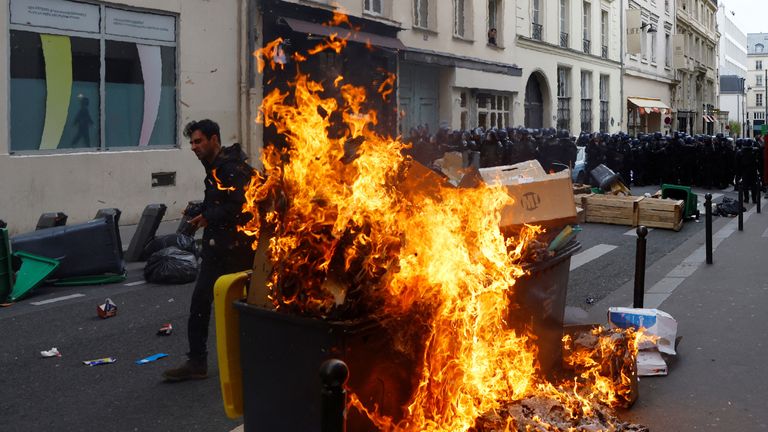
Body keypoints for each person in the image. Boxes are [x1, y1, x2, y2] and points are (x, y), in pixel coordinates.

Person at [163, 119, 256, 381]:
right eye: (191, 142)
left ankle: (258, 359)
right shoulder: (213, 168)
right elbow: (217, 202)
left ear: (214, 139)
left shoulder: (231, 169)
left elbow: (239, 207)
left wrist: (208, 217)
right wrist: (199, 211)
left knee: (249, 308)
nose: (194, 147)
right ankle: (197, 362)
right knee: (200, 303)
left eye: (198, 141)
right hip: (217, 250)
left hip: (238, 249)